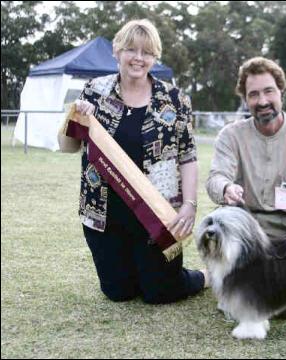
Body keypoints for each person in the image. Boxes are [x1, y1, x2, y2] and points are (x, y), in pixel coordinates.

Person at [58, 19, 208, 304]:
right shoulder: (94, 91)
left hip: (155, 216)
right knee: (119, 294)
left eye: (147, 52)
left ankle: (204, 276)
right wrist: (75, 116)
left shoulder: (175, 99)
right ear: (116, 51)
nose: (139, 58)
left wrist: (189, 205)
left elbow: (188, 157)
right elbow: (68, 147)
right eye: (131, 49)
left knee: (160, 294)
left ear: (155, 56)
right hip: (105, 214)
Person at [206, 57, 286, 316]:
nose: (262, 101)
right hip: (245, 236)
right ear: (245, 99)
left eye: (268, 91)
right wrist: (226, 188)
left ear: (281, 92)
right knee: (235, 307)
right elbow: (215, 178)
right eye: (253, 94)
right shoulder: (230, 136)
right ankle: (228, 285)